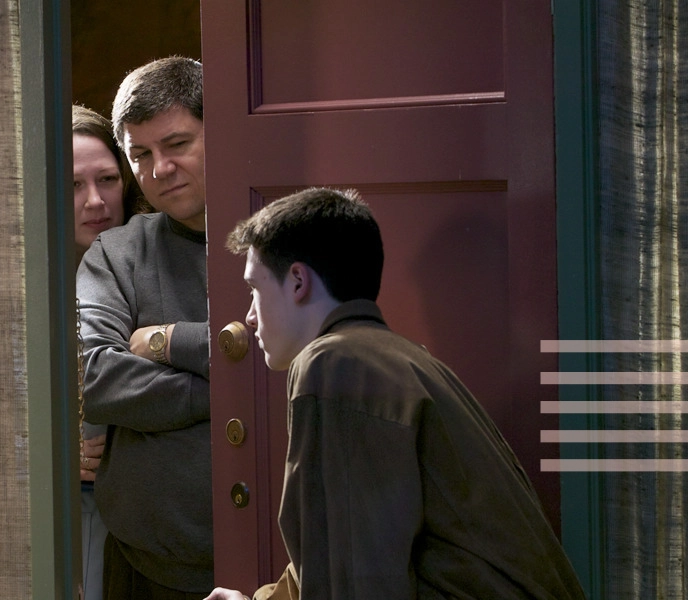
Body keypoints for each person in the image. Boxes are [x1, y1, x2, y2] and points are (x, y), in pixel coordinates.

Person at [205, 188, 585, 600]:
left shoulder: (335, 364)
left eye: (255, 290)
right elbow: (352, 554)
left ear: (297, 280)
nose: (248, 315)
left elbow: (356, 585)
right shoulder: (399, 358)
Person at [77, 56, 212, 599]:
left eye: (176, 144)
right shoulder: (116, 253)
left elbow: (304, 358)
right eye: (140, 154)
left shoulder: (280, 234)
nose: (159, 169)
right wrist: (234, 386)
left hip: (285, 563)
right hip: (144, 568)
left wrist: (168, 340)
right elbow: (94, 377)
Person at [72, 103, 149, 600]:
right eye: (74, 185)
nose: (96, 201)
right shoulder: (12, 291)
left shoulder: (151, 262)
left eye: (107, 179)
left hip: (139, 508)